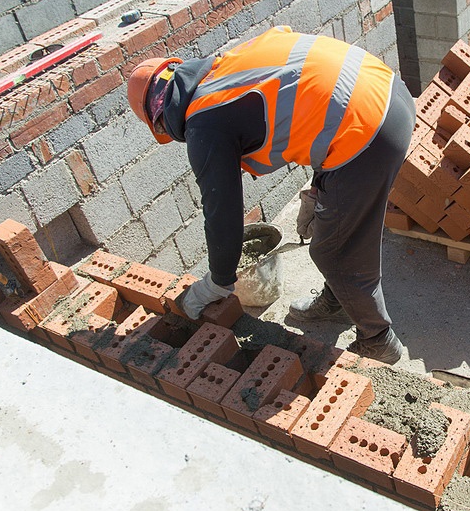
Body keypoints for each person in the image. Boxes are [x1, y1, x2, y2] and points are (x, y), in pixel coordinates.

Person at [127, 25, 416, 364]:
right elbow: (314, 102)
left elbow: (222, 212)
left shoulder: (204, 123)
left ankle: (378, 339)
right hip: (387, 90)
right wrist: (315, 192)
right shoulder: (230, 61)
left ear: (160, 122)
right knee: (332, 231)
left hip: (369, 130)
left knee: (335, 251)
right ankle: (340, 300)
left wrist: (218, 281)